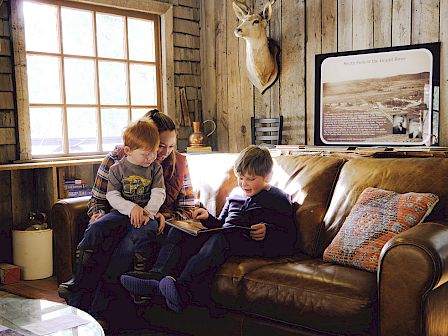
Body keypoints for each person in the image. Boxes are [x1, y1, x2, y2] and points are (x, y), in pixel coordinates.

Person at [59, 109, 195, 330]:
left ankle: (97, 312)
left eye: (171, 146)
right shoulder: (117, 159)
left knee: (129, 244)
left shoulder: (177, 163)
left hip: (151, 225)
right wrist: (98, 215)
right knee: (100, 233)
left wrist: (164, 215)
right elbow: (99, 199)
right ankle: (79, 302)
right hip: (119, 216)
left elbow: (187, 207)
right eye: (160, 145)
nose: (164, 152)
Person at [120, 145, 296, 313]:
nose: (244, 184)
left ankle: (183, 290)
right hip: (227, 236)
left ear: (267, 177)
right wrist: (208, 219)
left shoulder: (278, 198)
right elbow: (222, 224)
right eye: (241, 178)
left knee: (220, 240)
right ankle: (157, 276)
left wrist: (269, 231)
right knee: (181, 230)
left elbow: (289, 238)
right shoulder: (235, 195)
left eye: (251, 179)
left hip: (254, 244)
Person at [59, 119, 166, 293]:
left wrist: (148, 212)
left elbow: (159, 192)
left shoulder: (155, 168)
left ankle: (139, 284)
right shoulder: (117, 168)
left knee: (145, 233)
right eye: (145, 154)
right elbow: (112, 195)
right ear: (128, 151)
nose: (151, 158)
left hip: (146, 215)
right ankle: (77, 278)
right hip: (121, 212)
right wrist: (131, 208)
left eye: (153, 153)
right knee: (96, 228)